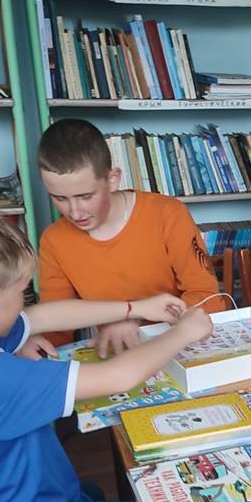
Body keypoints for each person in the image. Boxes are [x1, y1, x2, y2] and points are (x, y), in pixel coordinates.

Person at [0, 203, 213, 502]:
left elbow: (43, 317)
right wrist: (184, 333)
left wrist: (135, 307)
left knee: (101, 494)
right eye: (21, 293)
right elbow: (117, 377)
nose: (24, 304)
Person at [23, 118, 222, 358]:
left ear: (113, 179)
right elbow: (57, 324)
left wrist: (136, 321)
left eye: (86, 196)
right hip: (119, 359)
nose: (74, 212)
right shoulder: (54, 240)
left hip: (180, 348)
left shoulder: (167, 214)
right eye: (60, 198)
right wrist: (34, 343)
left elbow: (209, 298)